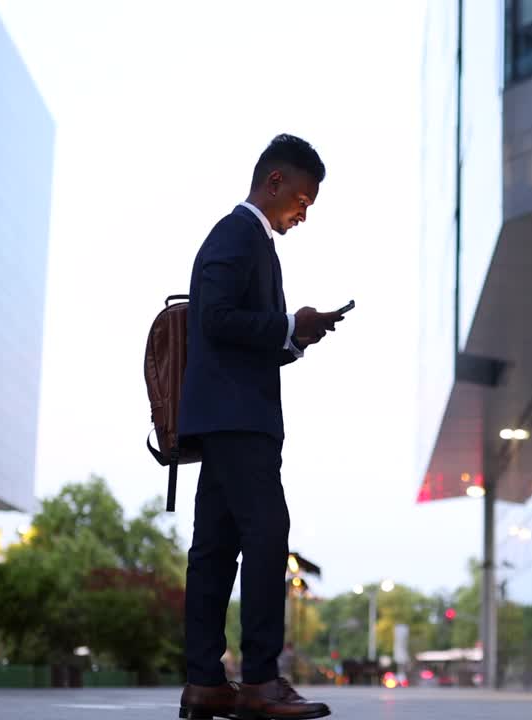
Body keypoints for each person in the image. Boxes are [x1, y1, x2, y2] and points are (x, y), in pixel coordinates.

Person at [177, 134, 341, 720]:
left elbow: (240, 332)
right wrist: (285, 323)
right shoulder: (237, 233)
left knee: (217, 549)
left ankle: (204, 683)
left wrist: (296, 335)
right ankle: (261, 682)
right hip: (236, 419)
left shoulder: (254, 242)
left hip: (229, 416)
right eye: (302, 199)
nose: (304, 213)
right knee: (267, 535)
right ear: (274, 183)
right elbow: (216, 319)